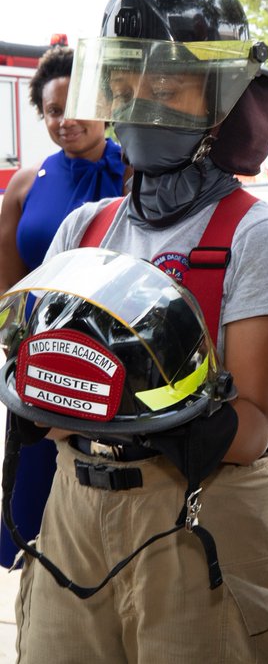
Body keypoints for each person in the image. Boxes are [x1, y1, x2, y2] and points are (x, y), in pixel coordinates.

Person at [9, 0, 268, 663]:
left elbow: (248, 427)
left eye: (166, 86)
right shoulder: (84, 228)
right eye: (124, 84)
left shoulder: (256, 235)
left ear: (219, 99)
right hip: (75, 509)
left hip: (201, 514)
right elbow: (41, 380)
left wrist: (102, 396)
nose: (139, 102)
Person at [0, 44, 125, 568]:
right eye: (53, 111)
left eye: (76, 105)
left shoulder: (143, 174)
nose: (66, 120)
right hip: (42, 366)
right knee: (37, 510)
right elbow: (8, 287)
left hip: (118, 364)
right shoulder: (25, 186)